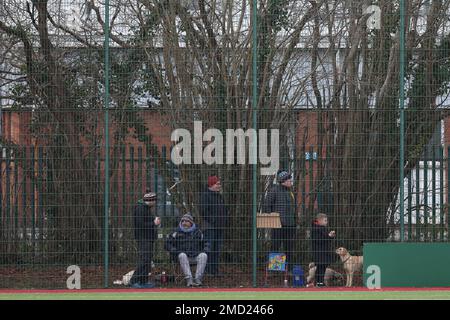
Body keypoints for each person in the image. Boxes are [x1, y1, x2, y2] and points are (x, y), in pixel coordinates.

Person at [262, 170, 298, 266]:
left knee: (289, 247)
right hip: (278, 224)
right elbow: (266, 205)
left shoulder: (291, 192)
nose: (291, 181)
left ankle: (288, 268)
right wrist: (273, 219)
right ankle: (275, 268)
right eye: (289, 179)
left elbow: (294, 207)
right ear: (283, 181)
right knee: (275, 246)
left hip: (290, 224)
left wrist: (295, 220)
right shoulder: (274, 190)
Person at [165, 213, 210, 287]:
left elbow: (206, 242)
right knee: (182, 255)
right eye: (183, 221)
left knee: (203, 255)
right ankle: (189, 279)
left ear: (191, 223)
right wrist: (173, 250)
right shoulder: (176, 232)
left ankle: (198, 279)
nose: (184, 223)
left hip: (195, 256)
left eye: (186, 221)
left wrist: (206, 249)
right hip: (181, 257)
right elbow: (167, 243)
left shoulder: (198, 232)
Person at [129, 191, 161, 288]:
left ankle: (143, 281)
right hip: (143, 238)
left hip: (148, 238)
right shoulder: (140, 208)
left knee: (147, 261)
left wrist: (154, 221)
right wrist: (154, 223)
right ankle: (134, 281)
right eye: (154, 200)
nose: (155, 202)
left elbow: (145, 221)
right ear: (150, 200)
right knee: (144, 260)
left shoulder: (146, 208)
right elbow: (140, 224)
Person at [200, 175, 228, 275]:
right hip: (210, 227)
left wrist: (224, 220)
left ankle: (215, 270)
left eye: (219, 184)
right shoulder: (205, 195)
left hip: (219, 227)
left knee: (217, 249)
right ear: (211, 184)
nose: (219, 186)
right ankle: (208, 270)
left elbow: (224, 209)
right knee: (209, 249)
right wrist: (213, 220)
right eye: (217, 184)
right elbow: (203, 211)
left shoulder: (219, 196)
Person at [311, 213, 336, 287]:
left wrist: (330, 236)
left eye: (326, 220)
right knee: (320, 267)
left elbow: (325, 239)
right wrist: (328, 236)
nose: (326, 222)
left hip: (324, 251)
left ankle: (319, 282)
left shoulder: (322, 228)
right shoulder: (315, 229)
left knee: (322, 267)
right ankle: (320, 282)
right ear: (319, 221)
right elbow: (319, 240)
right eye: (325, 220)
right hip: (319, 252)